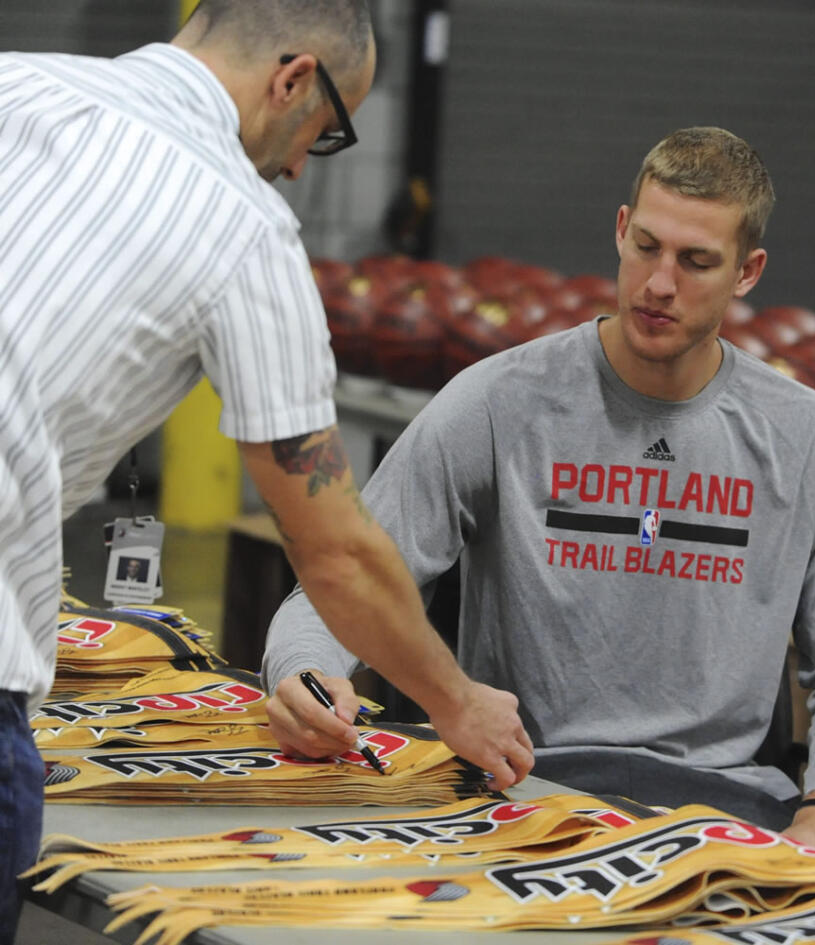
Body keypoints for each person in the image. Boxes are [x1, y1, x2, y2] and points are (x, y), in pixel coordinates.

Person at [0, 3, 530, 939]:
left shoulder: (16, 81)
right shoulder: (242, 226)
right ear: (292, 79)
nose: (295, 165)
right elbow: (336, 553)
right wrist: (457, 703)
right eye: (322, 133)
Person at [263, 126, 815, 862]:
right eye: (647, 248)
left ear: (747, 272)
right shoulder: (499, 402)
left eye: (697, 262)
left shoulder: (807, 437)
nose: (660, 284)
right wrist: (303, 676)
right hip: (524, 797)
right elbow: (342, 585)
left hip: (728, 813)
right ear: (621, 229)